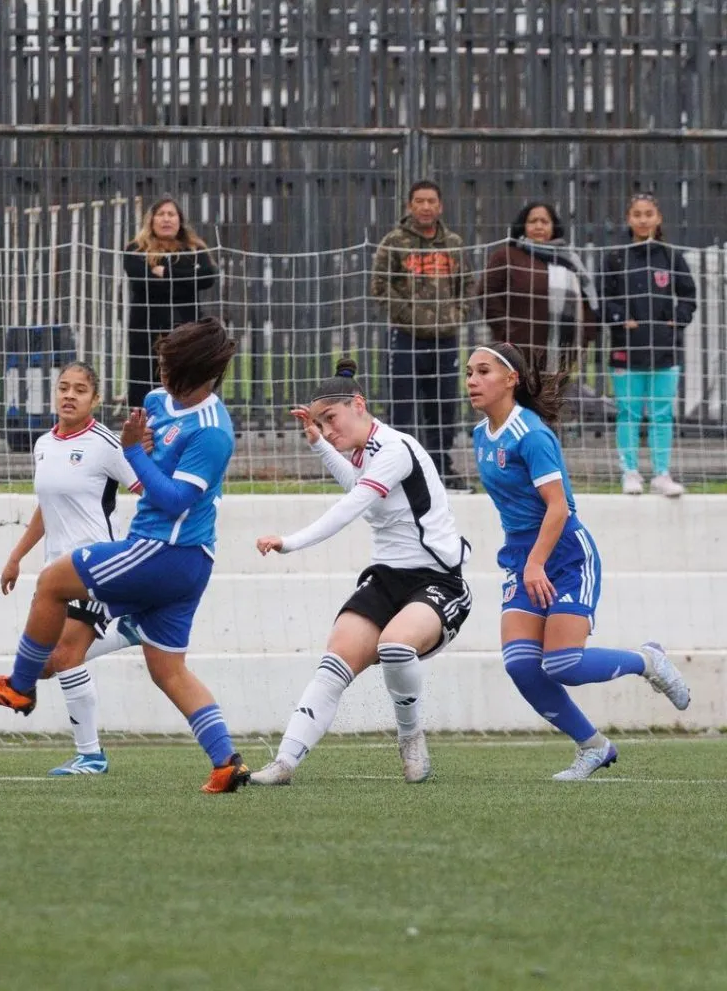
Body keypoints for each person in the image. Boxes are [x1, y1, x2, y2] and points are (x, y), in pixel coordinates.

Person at [0, 317, 250, 793]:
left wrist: (133, 453)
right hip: (185, 560)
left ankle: (19, 686)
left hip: (165, 551)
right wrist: (143, 448)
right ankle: (226, 761)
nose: (160, 376)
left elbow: (172, 499)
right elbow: (155, 459)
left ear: (199, 373)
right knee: (168, 669)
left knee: (52, 583)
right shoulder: (159, 404)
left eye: (170, 367)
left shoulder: (212, 431)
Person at [466, 341, 690, 781]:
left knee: (564, 665)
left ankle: (647, 660)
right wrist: (523, 562)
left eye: (484, 371)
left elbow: (559, 509)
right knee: (521, 666)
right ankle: (594, 747)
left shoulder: (530, 435)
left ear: (511, 379)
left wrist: (536, 564)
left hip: (567, 557)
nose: (473, 380)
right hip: (523, 559)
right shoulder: (480, 436)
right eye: (470, 371)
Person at [250, 358, 472, 786]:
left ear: (358, 404)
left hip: (437, 581)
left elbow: (353, 505)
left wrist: (290, 541)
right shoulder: (365, 451)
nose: (328, 429)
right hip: (387, 578)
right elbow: (356, 483)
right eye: (319, 423)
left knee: (394, 645)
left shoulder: (393, 450)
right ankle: (284, 763)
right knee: (334, 662)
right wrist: (319, 443)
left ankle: (411, 738)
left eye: (330, 419)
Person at [0, 360, 144, 776]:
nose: (69, 395)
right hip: (53, 573)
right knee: (44, 663)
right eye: (63, 387)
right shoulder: (44, 445)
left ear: (95, 399)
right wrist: (16, 556)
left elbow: (146, 485)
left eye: (80, 389)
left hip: (95, 566)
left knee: (62, 654)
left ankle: (91, 755)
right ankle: (127, 632)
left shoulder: (105, 444)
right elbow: (48, 506)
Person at [370, 180, 471, 490]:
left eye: (431, 201)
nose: (426, 207)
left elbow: (467, 285)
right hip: (405, 337)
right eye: (419, 201)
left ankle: (440, 464)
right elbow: (379, 287)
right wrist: (409, 316)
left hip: (445, 339)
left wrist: (456, 315)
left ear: (440, 206)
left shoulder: (453, 244)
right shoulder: (394, 243)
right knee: (401, 405)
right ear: (409, 206)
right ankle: (396, 468)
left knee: (442, 405)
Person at [600, 194, 696, 497]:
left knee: (662, 413)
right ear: (629, 219)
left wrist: (675, 321)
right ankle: (630, 472)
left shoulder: (670, 257)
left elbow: (689, 297)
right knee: (628, 412)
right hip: (625, 350)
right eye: (637, 214)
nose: (643, 219)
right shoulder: (616, 257)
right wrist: (621, 319)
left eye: (649, 213)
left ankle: (661, 473)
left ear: (658, 218)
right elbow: (602, 299)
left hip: (665, 350)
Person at [480, 201, 599, 373]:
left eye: (544, 221)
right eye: (533, 221)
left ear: (553, 226)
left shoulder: (569, 259)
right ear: (523, 225)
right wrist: (505, 330)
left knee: (550, 399)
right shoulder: (507, 256)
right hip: (515, 352)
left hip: (560, 354)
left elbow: (586, 301)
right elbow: (486, 293)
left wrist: (583, 339)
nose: (538, 226)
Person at [123, 197, 218, 408]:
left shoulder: (194, 249)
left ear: (180, 220)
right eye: (161, 214)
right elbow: (141, 279)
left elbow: (207, 277)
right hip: (146, 327)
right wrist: (186, 278)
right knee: (144, 375)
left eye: (171, 214)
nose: (166, 219)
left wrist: (165, 272)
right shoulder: (136, 250)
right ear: (151, 220)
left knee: (188, 373)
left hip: (187, 326)